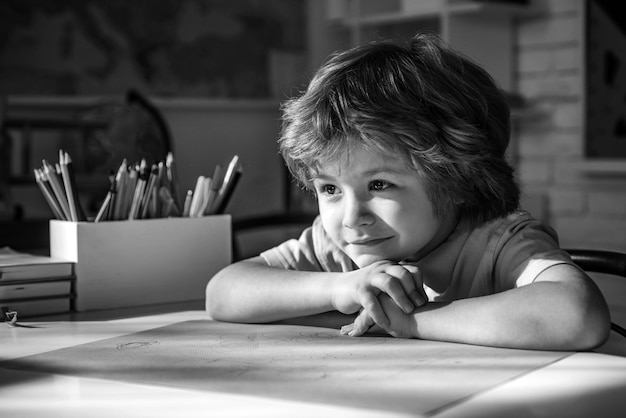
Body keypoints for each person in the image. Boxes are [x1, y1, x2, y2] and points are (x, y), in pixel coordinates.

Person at [205, 32, 610, 351]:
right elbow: (223, 292)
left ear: (455, 179)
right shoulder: (337, 245)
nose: (350, 217)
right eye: (329, 188)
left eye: (378, 185)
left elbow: (578, 315)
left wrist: (412, 321)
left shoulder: (497, 241)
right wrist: (337, 287)